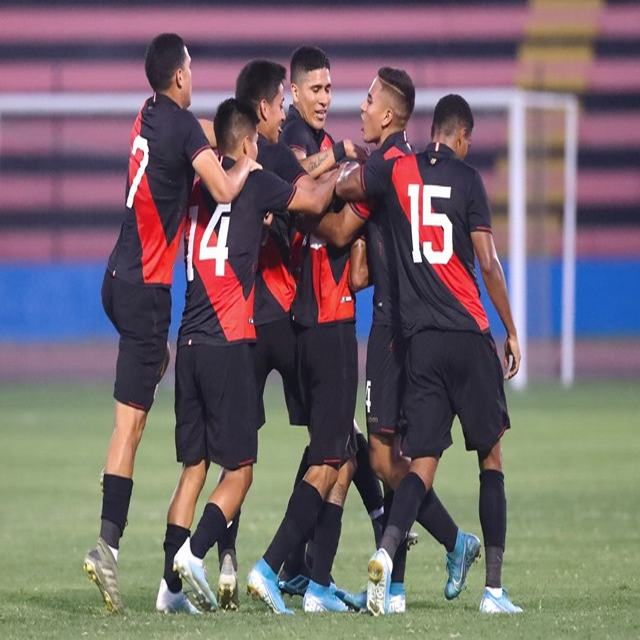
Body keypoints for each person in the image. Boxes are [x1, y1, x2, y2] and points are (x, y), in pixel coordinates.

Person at [83, 33, 258, 614]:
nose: (193, 74)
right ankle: (106, 546)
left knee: (153, 365)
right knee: (129, 429)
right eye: (190, 66)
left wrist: (227, 136)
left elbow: (202, 139)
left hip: (115, 278)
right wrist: (250, 162)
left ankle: (128, 547)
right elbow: (224, 184)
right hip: (147, 294)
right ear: (179, 78)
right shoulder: (183, 127)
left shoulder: (150, 115)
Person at [337, 93, 523, 615]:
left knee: (419, 462)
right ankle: (493, 591)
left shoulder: (401, 173)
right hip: (467, 333)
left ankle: (387, 549)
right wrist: (510, 329)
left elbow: (362, 200)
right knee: (490, 456)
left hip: (419, 343)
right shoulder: (467, 180)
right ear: (461, 137)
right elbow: (487, 262)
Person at [156, 98, 337, 614]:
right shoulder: (253, 180)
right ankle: (193, 555)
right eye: (254, 140)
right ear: (245, 143)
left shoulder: (197, 189)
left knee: (193, 469)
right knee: (240, 473)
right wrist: (349, 170)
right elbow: (310, 202)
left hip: (187, 342)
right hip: (229, 345)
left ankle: (168, 593)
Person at [311, 69, 479, 614]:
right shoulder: (398, 158)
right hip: (409, 324)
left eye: (365, 100)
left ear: (387, 114)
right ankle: (397, 589)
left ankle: (455, 541)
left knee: (383, 458)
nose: (358, 106)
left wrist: (305, 187)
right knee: (394, 453)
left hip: (394, 328)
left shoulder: (386, 166)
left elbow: (338, 228)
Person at [246, 45, 381, 615]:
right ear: (293, 93)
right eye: (315, 90)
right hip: (318, 317)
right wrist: (358, 192)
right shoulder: (291, 146)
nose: (326, 99)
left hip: (336, 311)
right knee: (330, 455)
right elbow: (314, 210)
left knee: (342, 456)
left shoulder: (320, 146)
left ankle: (319, 582)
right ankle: (268, 566)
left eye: (331, 89)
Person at [213, 58, 341, 610]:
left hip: (233, 323)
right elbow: (311, 196)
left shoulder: (222, 162)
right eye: (288, 102)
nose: (291, 110)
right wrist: (354, 161)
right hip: (280, 318)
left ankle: (225, 560)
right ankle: (300, 568)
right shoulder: (267, 159)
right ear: (268, 107)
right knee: (335, 437)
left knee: (237, 455)